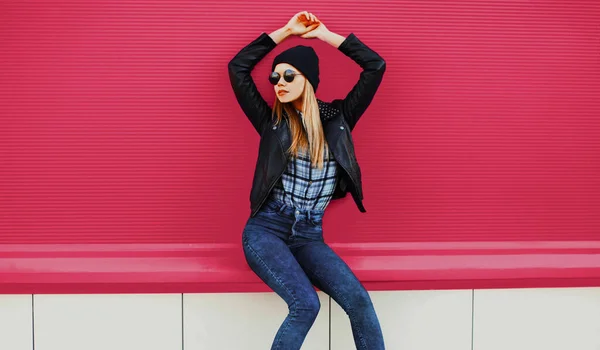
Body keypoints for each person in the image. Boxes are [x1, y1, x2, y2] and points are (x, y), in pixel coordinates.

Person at [228, 11, 386, 350]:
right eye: (275, 77)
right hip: (266, 231)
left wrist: (325, 36)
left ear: (308, 81)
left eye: (288, 75)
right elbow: (238, 68)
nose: (279, 82)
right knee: (306, 305)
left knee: (359, 302)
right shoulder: (271, 122)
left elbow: (375, 66)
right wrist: (286, 32)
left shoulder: (339, 120)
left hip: (309, 236)